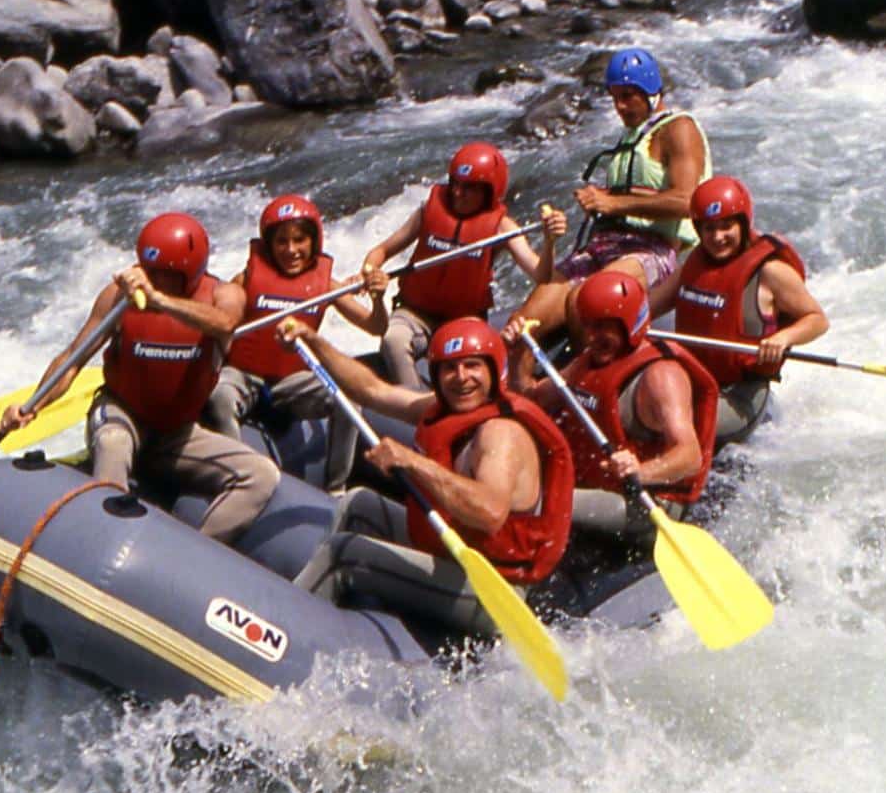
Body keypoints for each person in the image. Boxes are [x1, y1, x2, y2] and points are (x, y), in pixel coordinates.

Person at [278, 315, 574, 639]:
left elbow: (489, 513)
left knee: (342, 554)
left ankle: (284, 636)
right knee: (359, 503)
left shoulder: (500, 434)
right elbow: (371, 390)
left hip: (492, 592)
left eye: (472, 366)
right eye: (450, 368)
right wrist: (313, 340)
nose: (461, 378)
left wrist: (413, 461)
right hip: (450, 556)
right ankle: (331, 607)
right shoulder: (444, 408)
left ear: (493, 369)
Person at [0, 212, 280, 544]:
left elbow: (224, 324)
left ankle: (192, 557)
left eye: (167, 275)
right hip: (123, 414)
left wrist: (160, 300)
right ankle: (100, 543)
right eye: (150, 272)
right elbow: (73, 359)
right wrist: (33, 405)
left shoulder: (223, 295)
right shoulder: (117, 298)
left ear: (192, 272)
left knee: (262, 475)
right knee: (113, 443)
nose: (154, 281)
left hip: (177, 433)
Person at [506, 47, 711, 384]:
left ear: (650, 92)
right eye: (615, 98)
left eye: (628, 97)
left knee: (584, 302)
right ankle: (522, 396)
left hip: (650, 250)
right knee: (523, 325)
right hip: (602, 246)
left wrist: (614, 204)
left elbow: (688, 199)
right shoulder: (630, 138)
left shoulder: (679, 129)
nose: (620, 106)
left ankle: (593, 387)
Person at [510, 270, 718, 549]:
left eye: (604, 327)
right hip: (597, 485)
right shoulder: (591, 360)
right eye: (588, 326)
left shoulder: (661, 376)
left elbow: (690, 456)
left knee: (535, 501)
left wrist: (641, 471)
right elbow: (532, 398)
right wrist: (520, 350)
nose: (593, 337)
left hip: (644, 503)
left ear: (629, 325)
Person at [204, 194, 389, 485]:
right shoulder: (246, 277)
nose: (291, 250)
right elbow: (219, 320)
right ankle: (236, 476)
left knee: (350, 400)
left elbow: (375, 327)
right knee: (220, 397)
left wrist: (378, 299)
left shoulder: (326, 285)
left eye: (300, 240)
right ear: (269, 244)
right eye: (282, 242)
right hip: (243, 375)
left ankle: (336, 486)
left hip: (292, 383)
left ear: (313, 242)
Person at [360, 141, 556, 389]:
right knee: (393, 341)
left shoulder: (502, 227)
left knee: (472, 365)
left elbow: (541, 274)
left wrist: (550, 242)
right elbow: (381, 251)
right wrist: (370, 270)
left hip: (465, 318)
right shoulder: (429, 210)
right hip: (415, 312)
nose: (458, 194)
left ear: (489, 192)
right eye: (456, 185)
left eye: (469, 189)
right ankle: (415, 407)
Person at [648, 176, 828, 445]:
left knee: (674, 426)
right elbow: (647, 307)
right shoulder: (694, 266)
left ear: (743, 224)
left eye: (726, 226)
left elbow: (817, 319)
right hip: (694, 380)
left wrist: (783, 338)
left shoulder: (771, 272)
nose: (718, 237)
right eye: (709, 229)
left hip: (741, 393)